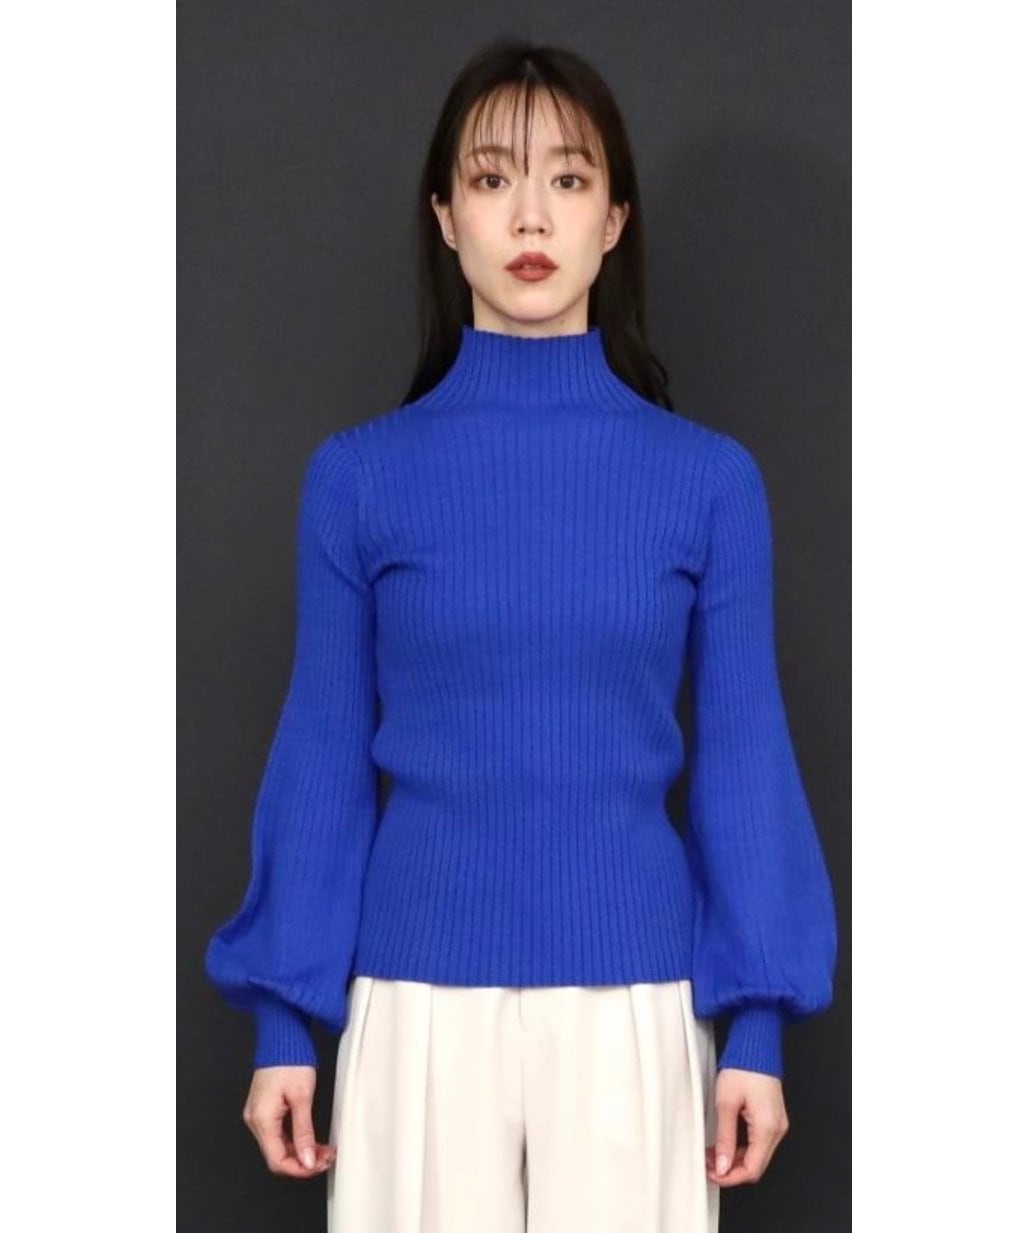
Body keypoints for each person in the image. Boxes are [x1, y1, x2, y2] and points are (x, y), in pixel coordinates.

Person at [204, 38, 838, 1233]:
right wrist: (284, 1021)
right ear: (446, 219)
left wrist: (755, 1028)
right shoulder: (358, 479)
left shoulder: (706, 482)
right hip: (416, 1011)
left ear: (613, 221)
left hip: (632, 1009)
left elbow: (745, 760)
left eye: (568, 179)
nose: (530, 215)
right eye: (492, 179)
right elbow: (322, 753)